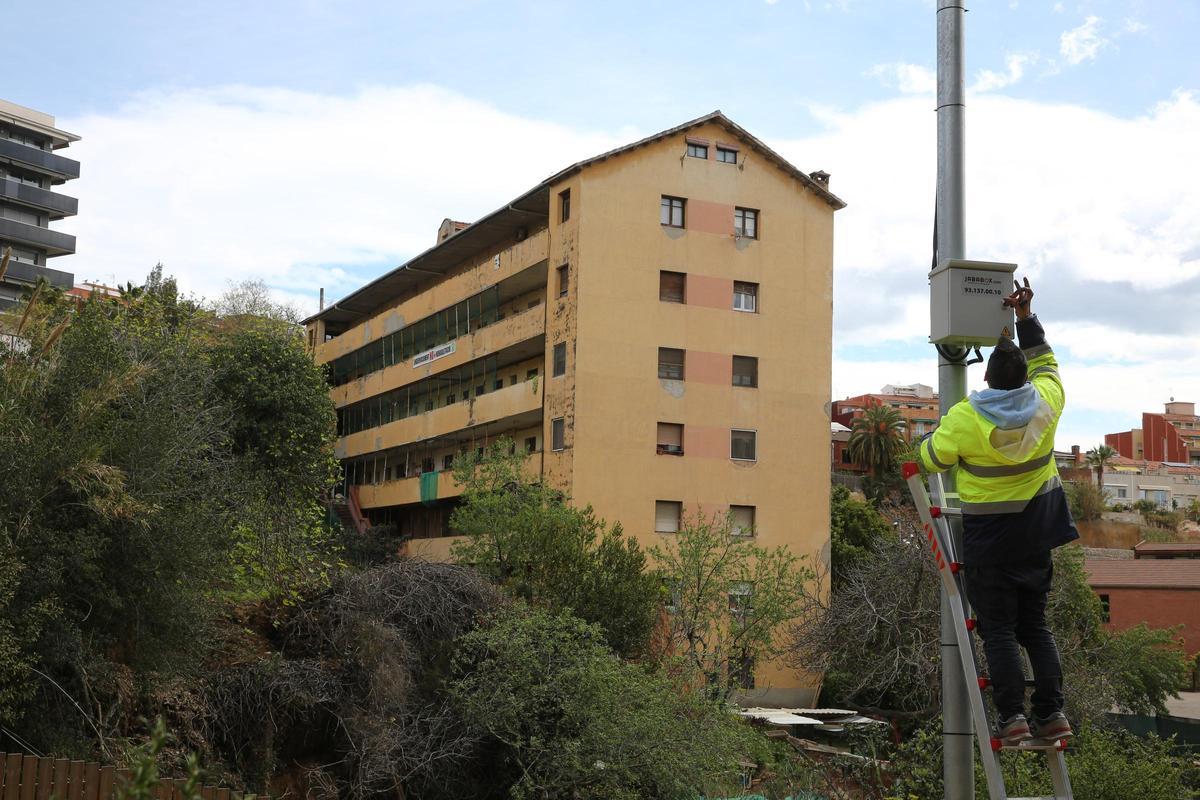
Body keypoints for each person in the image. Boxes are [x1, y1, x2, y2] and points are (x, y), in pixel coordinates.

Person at [917, 277, 1078, 744]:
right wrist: (1025, 317)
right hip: (1036, 541)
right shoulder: (1046, 405)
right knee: (1035, 626)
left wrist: (926, 445)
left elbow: (931, 459)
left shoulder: (967, 418)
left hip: (989, 545)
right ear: (1024, 379)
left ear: (986, 378)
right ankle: (1051, 713)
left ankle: (1013, 718)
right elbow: (1047, 363)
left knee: (1001, 632)